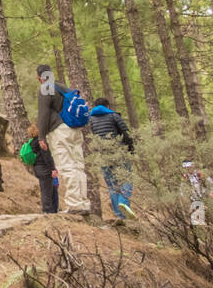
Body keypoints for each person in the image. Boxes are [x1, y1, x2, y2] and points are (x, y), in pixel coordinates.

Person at [36, 64, 90, 214]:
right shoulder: (63, 87)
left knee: (66, 166)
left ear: (39, 77)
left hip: (59, 131)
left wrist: (41, 136)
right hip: (74, 129)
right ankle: (83, 202)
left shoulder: (45, 88)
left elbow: (44, 114)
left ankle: (74, 204)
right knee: (78, 165)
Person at [88, 97, 136, 220]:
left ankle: (119, 215)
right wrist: (131, 149)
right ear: (107, 106)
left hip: (103, 156)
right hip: (118, 152)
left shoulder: (91, 119)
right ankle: (123, 203)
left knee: (112, 185)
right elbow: (126, 133)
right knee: (126, 179)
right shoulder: (114, 116)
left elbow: (94, 137)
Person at [20, 123, 58, 213]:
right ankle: (47, 210)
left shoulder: (32, 142)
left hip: (37, 167)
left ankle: (49, 209)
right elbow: (46, 155)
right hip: (44, 168)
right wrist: (52, 168)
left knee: (46, 188)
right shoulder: (41, 141)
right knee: (47, 190)